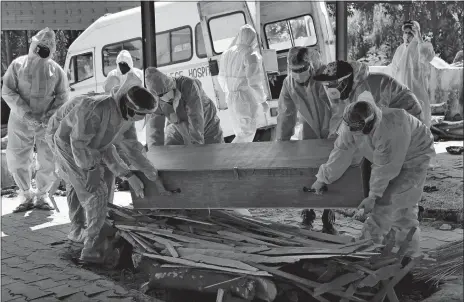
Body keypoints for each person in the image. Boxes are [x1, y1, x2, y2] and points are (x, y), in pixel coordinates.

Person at [46, 72, 167, 263]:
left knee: (101, 184)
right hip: (65, 142)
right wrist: (91, 169)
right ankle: (89, 247)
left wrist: (147, 174)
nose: (143, 119)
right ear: (130, 108)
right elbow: (78, 143)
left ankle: (96, 229)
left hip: (88, 145)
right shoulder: (94, 108)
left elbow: (122, 148)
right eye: (143, 115)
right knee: (93, 192)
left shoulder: (126, 116)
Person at [311, 100, 435, 256]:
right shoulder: (351, 123)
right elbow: (341, 151)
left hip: (415, 155)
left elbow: (385, 168)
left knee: (401, 204)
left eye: (357, 129)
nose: (352, 132)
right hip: (388, 157)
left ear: (369, 124)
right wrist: (322, 178)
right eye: (351, 128)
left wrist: (373, 196)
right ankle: (373, 246)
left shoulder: (392, 128)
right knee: (384, 204)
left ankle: (407, 255)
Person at [2, 27, 68, 212]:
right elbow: (7, 91)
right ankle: (25, 195)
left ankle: (42, 196)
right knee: (17, 157)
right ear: (34, 44)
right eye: (41, 44)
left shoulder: (56, 70)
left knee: (48, 158)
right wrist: (25, 113)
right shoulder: (17, 65)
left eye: (48, 46)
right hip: (20, 120)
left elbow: (63, 96)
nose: (44, 48)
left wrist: (49, 115)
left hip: (46, 122)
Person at [276, 46, 337, 234]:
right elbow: (286, 115)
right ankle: (308, 214)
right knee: (307, 171)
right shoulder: (289, 84)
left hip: (331, 128)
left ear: (310, 65)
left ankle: (328, 218)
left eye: (302, 69)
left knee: (332, 172)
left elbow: (338, 107)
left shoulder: (327, 76)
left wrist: (337, 134)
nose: (298, 74)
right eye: (294, 71)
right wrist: (282, 145)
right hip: (309, 129)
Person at [145, 67, 224, 148]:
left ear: (171, 85)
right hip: (178, 129)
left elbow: (195, 117)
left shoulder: (188, 85)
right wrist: (154, 151)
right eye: (160, 96)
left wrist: (196, 145)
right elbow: (154, 127)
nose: (165, 97)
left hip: (207, 126)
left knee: (214, 155)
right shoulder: (156, 101)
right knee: (171, 153)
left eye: (166, 92)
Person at [218, 24, 269, 143]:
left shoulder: (227, 53)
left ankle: (241, 159)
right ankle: (230, 157)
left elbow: (221, 77)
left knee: (239, 132)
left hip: (231, 97)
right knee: (247, 132)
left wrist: (230, 92)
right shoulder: (250, 54)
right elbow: (254, 82)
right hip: (244, 98)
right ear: (253, 38)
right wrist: (263, 100)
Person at [389, 20, 435, 128]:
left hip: (417, 88)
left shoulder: (422, 46)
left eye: (410, 33)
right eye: (405, 32)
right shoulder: (400, 49)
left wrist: (418, 38)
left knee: (419, 116)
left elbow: (428, 56)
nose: (406, 36)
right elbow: (394, 69)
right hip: (401, 89)